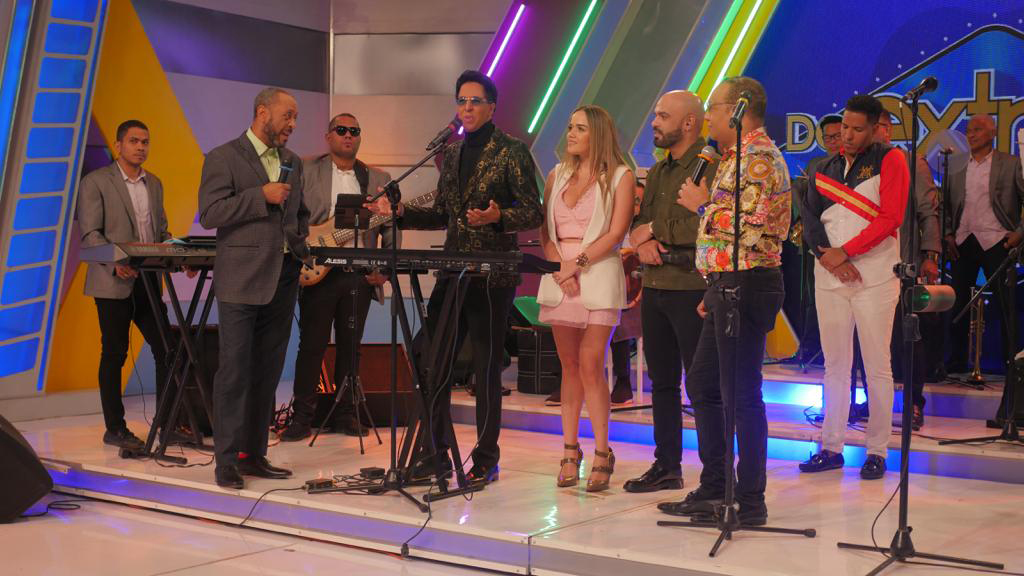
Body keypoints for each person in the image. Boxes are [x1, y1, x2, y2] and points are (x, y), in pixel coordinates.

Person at [368, 70, 543, 485]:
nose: (466, 108)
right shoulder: (451, 154)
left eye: (475, 101)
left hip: (491, 276)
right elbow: (443, 214)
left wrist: (499, 216)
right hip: (453, 270)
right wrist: (401, 213)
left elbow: (533, 211)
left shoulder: (512, 151)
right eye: (461, 100)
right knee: (430, 359)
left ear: (492, 107)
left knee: (485, 369)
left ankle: (486, 458)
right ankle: (437, 453)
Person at [661, 76, 791, 525]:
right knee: (702, 383)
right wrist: (714, 283)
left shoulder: (758, 158)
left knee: (742, 394)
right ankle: (716, 486)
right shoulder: (735, 157)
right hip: (727, 283)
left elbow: (750, 227)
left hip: (748, 283)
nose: (708, 118)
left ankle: (751, 501)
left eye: (714, 108)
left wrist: (702, 205)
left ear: (738, 109)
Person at [198, 87, 310, 489]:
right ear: (263, 112)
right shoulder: (224, 157)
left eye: (295, 118)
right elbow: (210, 213)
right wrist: (258, 196)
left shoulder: (293, 161)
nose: (292, 124)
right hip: (241, 280)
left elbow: (299, 215)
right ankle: (226, 461)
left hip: (283, 278)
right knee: (234, 372)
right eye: (287, 115)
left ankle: (253, 454)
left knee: (267, 371)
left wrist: (300, 248)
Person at [797, 94, 909, 480]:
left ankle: (877, 451)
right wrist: (830, 257)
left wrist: (846, 252)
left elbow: (890, 218)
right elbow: (809, 219)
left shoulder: (890, 160)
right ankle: (831, 447)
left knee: (878, 366)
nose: (847, 134)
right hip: (829, 276)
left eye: (857, 129)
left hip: (875, 277)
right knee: (835, 366)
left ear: (876, 129)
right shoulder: (822, 167)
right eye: (844, 126)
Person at [280, 113, 396, 442]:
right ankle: (303, 417)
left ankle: (346, 414)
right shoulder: (307, 168)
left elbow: (390, 227)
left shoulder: (378, 178)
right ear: (328, 136)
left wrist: (385, 270)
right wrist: (300, 251)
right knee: (311, 346)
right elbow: (290, 217)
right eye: (341, 130)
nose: (348, 135)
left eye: (354, 131)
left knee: (351, 348)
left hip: (359, 274)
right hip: (317, 270)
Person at [536, 105, 633, 492]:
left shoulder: (620, 176)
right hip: (560, 276)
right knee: (570, 364)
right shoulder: (556, 175)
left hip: (598, 273)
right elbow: (545, 232)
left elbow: (616, 233)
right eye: (569, 127)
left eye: (580, 128)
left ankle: (603, 451)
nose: (571, 134)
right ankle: (569, 449)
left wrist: (576, 265)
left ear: (598, 134)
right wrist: (559, 267)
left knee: (592, 363)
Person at [621, 91, 713, 494]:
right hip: (656, 285)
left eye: (662, 116)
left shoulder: (711, 166)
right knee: (662, 382)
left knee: (703, 386)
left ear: (688, 123)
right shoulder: (659, 170)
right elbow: (638, 223)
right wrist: (642, 241)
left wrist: (655, 232)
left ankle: (714, 476)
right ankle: (666, 465)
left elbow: (705, 225)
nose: (654, 122)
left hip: (692, 288)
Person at [78, 120, 172, 450]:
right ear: (118, 145)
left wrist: (178, 257)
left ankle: (166, 424)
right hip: (112, 281)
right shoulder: (95, 182)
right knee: (114, 353)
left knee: (168, 350)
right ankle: (115, 428)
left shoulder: (154, 183)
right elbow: (91, 234)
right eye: (134, 141)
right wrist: (116, 262)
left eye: (145, 141)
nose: (141, 147)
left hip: (148, 281)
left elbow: (161, 233)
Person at [945, 115, 1024, 420]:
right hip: (964, 240)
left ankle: (1010, 365)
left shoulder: (1010, 163)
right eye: (969, 130)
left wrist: (1019, 233)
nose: (972, 134)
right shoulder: (956, 166)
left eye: (978, 129)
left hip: (997, 240)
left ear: (993, 132)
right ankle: (954, 362)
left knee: (1005, 306)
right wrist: (948, 233)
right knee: (956, 303)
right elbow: (947, 205)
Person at [875, 111, 941, 430]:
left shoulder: (912, 161)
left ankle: (914, 403)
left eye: (871, 127)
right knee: (874, 339)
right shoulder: (859, 165)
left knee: (909, 336)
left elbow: (928, 212)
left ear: (886, 130)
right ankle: (874, 402)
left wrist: (930, 255)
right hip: (868, 265)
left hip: (904, 263)